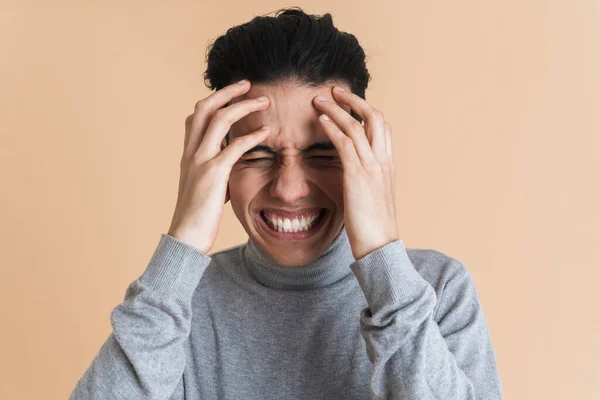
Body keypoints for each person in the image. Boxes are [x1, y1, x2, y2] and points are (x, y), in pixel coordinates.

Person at [70, 7, 503, 400]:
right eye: (256, 154)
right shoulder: (176, 304)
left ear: (367, 158)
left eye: (323, 153)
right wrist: (181, 244)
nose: (289, 189)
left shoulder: (435, 290)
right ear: (214, 162)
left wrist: (382, 259)